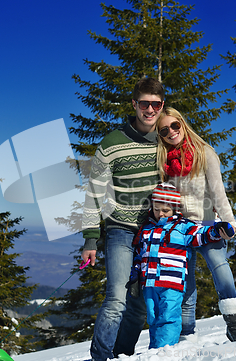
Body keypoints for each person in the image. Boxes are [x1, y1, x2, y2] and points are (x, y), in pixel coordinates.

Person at [80, 77, 164, 361]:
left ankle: (121, 355)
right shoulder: (112, 143)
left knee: (139, 304)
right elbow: (93, 192)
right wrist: (91, 238)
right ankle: (100, 358)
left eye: (155, 104)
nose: (149, 110)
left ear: (162, 106)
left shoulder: (166, 141)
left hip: (154, 233)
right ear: (134, 104)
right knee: (117, 298)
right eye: (144, 103)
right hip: (120, 230)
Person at [155, 107, 236, 342]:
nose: (171, 132)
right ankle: (187, 335)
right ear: (160, 135)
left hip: (206, 224)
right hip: (179, 229)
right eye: (164, 130)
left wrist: (229, 222)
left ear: (183, 124)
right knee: (185, 281)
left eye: (175, 125)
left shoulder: (205, 153)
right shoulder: (164, 162)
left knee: (220, 269)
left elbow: (218, 192)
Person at [129, 182, 234, 348]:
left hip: (171, 283)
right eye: (156, 209)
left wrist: (217, 229)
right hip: (149, 283)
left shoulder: (183, 227)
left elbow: (201, 235)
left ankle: (164, 351)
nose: (160, 214)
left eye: (165, 210)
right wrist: (135, 272)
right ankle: (154, 350)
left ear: (175, 209)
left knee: (168, 317)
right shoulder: (147, 228)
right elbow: (139, 253)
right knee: (153, 318)